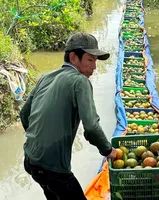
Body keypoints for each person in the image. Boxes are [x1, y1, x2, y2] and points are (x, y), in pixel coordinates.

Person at [20, 32, 116, 200]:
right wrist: (108, 150)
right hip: (53, 168)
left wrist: (39, 138)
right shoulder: (80, 81)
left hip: (30, 159)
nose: (94, 67)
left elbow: (24, 114)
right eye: (90, 60)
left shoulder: (45, 77)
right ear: (73, 57)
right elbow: (92, 127)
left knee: (53, 193)